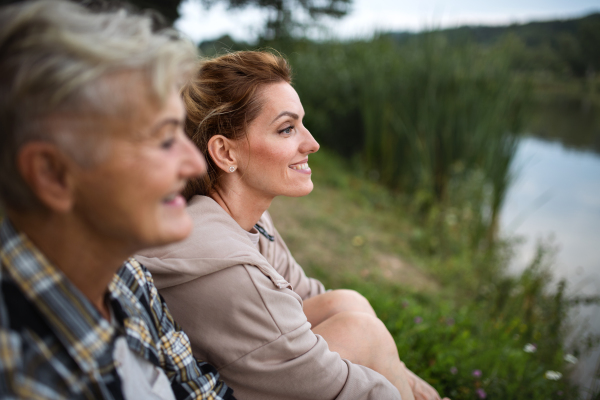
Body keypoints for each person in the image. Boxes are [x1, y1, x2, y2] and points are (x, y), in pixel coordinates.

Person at [136, 51, 447, 400]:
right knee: (363, 334)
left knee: (345, 302)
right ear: (225, 153)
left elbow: (302, 296)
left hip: (249, 367)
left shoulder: (245, 219)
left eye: (302, 124)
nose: (312, 144)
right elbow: (331, 387)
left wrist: (402, 375)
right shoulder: (230, 271)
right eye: (287, 129)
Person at [0, 1, 234, 399]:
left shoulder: (126, 273)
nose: (195, 164)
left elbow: (201, 391)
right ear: (53, 174)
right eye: (163, 139)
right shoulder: (24, 376)